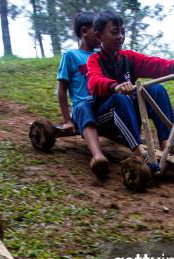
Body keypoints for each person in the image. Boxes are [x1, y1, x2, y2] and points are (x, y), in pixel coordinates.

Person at [87, 10, 174, 172]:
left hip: (128, 112)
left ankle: (167, 140)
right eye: (114, 32)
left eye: (123, 32)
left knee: (156, 89)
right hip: (105, 118)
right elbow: (94, 81)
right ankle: (139, 150)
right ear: (99, 36)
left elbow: (153, 64)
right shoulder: (94, 60)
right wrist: (115, 86)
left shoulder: (128, 57)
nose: (120, 36)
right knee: (120, 98)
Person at [57, 11, 110, 179]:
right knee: (84, 107)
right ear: (84, 31)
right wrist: (67, 120)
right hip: (82, 107)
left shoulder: (101, 56)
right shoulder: (71, 56)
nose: (100, 35)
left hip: (100, 105)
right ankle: (97, 156)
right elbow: (62, 90)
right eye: (97, 30)